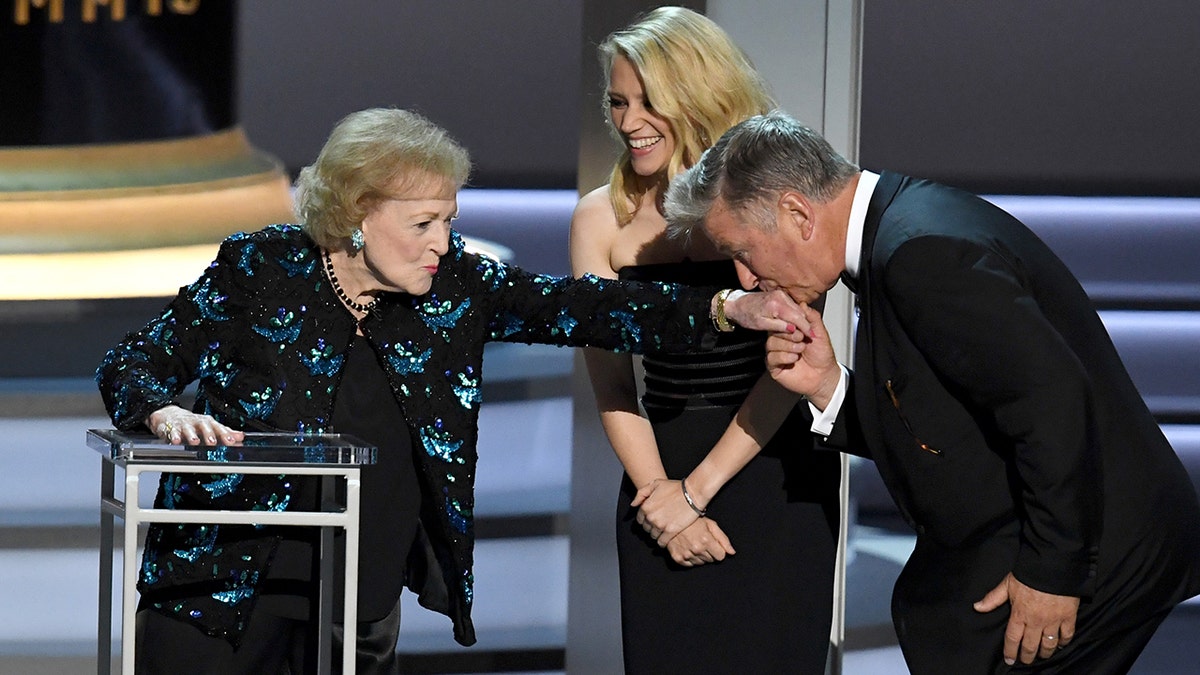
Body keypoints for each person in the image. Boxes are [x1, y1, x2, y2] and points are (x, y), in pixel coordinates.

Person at [94, 107, 806, 675]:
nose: (443, 242)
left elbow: (582, 306)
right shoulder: (261, 267)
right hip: (217, 587)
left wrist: (723, 310)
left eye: (449, 221)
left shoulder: (457, 286)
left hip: (356, 600)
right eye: (423, 224)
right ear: (357, 214)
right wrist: (163, 410)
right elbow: (133, 362)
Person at [658, 110, 1200, 674]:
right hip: (1044, 540)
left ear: (796, 213)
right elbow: (944, 427)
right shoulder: (901, 231)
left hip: (1100, 550)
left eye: (743, 252)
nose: (745, 279)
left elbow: (1054, 401)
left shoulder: (922, 251)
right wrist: (825, 384)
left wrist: (1053, 573)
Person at [569, 8, 839, 673]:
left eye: (648, 101)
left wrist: (698, 491)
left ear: (699, 95)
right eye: (617, 102)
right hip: (653, 481)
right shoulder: (599, 219)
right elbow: (609, 380)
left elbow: (790, 366)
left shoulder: (780, 200)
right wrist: (664, 499)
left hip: (773, 473)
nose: (629, 121)